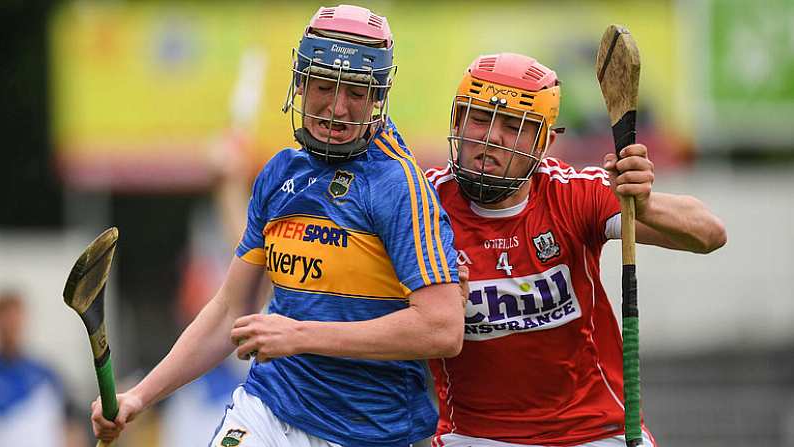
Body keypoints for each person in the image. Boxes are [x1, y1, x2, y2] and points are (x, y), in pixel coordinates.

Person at [91, 4, 464, 447]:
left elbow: (442, 329)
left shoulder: (399, 186)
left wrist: (300, 334)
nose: (338, 108)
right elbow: (228, 311)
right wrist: (140, 396)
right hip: (270, 407)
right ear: (301, 83)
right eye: (325, 86)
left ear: (379, 97)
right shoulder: (281, 174)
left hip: (371, 431)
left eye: (357, 93)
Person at [425, 53, 727, 447]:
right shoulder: (423, 203)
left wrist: (644, 203)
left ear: (545, 143)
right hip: (474, 435)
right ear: (457, 121)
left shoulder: (572, 193)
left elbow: (709, 233)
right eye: (480, 117)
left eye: (514, 126)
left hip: (594, 432)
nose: (492, 137)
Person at [0, 290, 68, 447]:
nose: (12, 325)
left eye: (16, 318)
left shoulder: (45, 374)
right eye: (6, 318)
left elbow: (68, 425)